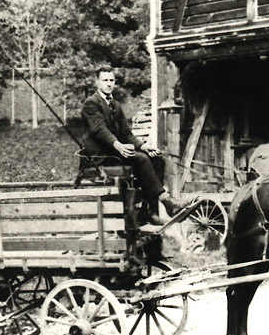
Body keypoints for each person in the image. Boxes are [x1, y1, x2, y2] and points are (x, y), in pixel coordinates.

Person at [80, 66, 191, 224]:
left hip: (116, 153)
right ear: (97, 82)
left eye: (111, 80)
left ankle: (148, 211)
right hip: (100, 156)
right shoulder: (91, 104)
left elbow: (127, 134)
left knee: (157, 159)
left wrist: (144, 146)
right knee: (140, 159)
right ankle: (167, 202)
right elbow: (100, 131)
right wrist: (118, 145)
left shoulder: (116, 106)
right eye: (105, 80)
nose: (109, 83)